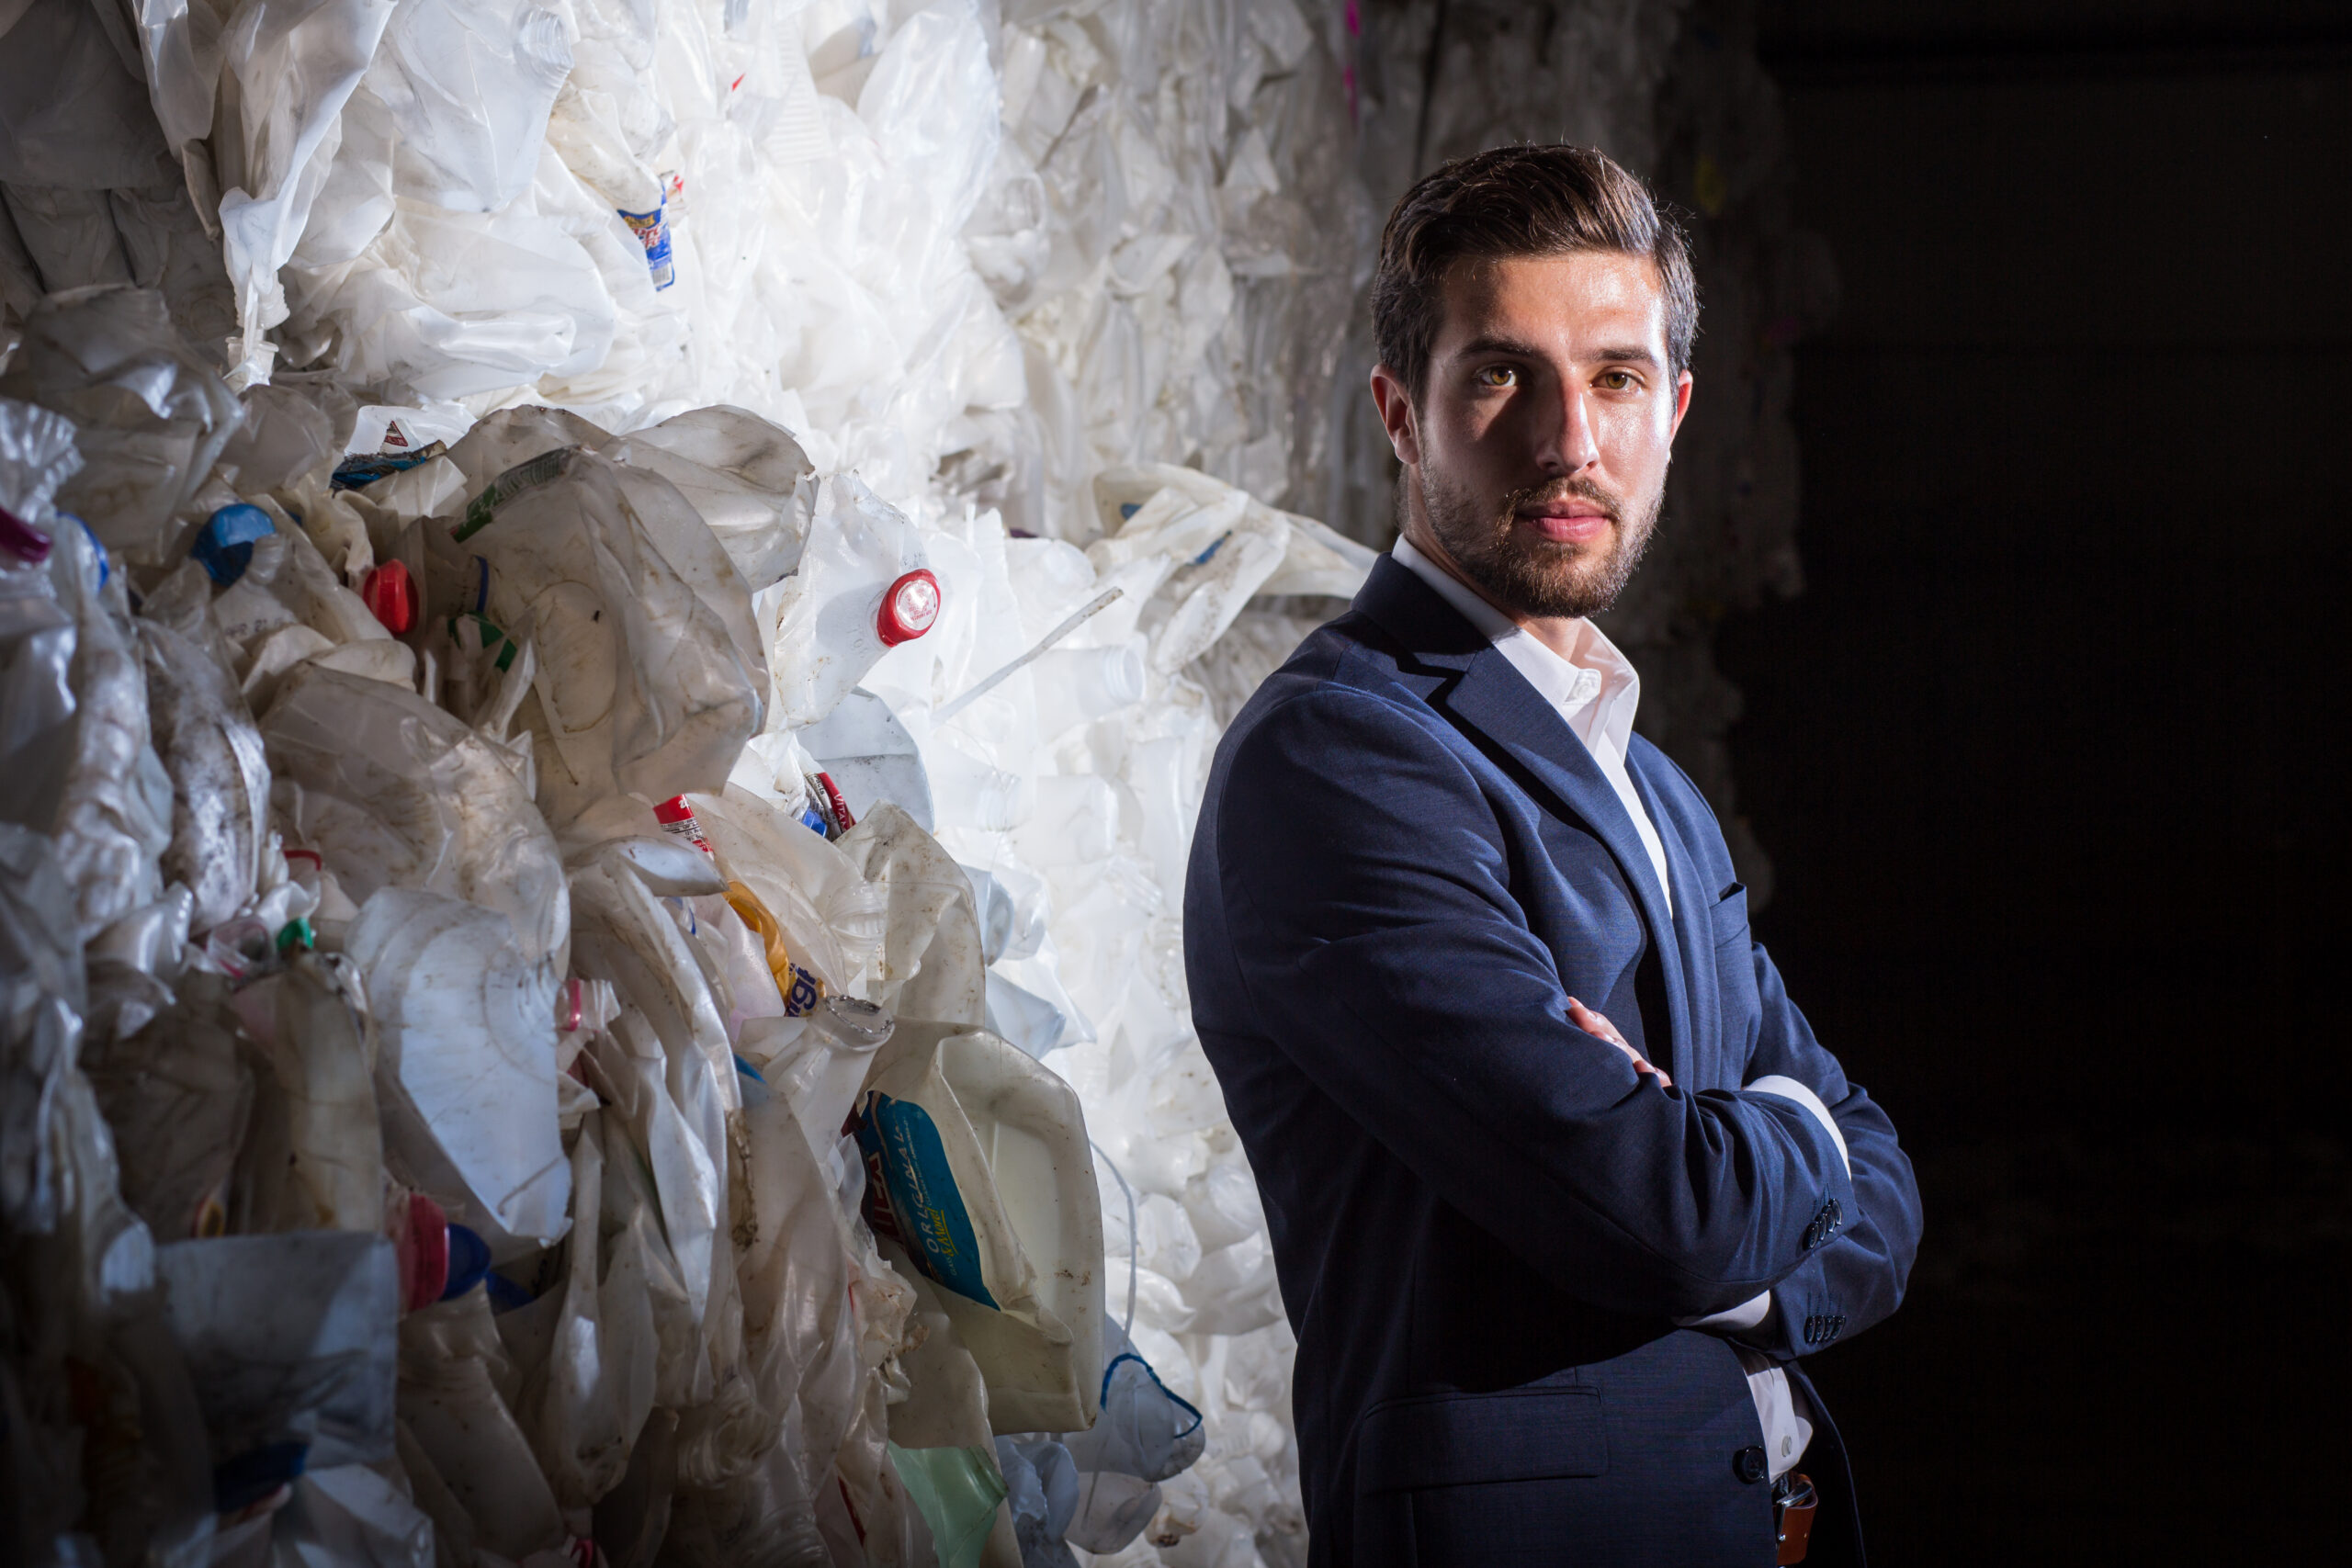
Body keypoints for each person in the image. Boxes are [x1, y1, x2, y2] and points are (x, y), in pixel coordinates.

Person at [1183, 144, 1922, 1567]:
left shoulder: (1647, 781)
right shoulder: (1342, 758)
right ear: (1404, 414)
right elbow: (1671, 1214)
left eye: (1618, 379)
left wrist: (1758, 1220)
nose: (1568, 439)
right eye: (1501, 374)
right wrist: (1785, 1147)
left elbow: (1886, 1190)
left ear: (1677, 413)